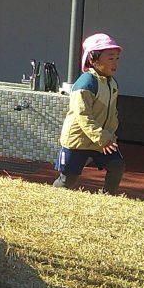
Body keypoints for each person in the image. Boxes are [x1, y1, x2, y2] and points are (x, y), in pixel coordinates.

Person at [53, 33, 125, 195]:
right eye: (110, 58)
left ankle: (108, 198)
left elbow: (112, 113)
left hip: (102, 140)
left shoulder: (112, 83)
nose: (115, 63)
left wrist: (110, 135)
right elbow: (83, 116)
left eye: (117, 58)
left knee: (117, 166)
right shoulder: (86, 84)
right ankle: (52, 198)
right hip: (79, 140)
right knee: (67, 180)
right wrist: (103, 138)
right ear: (93, 59)